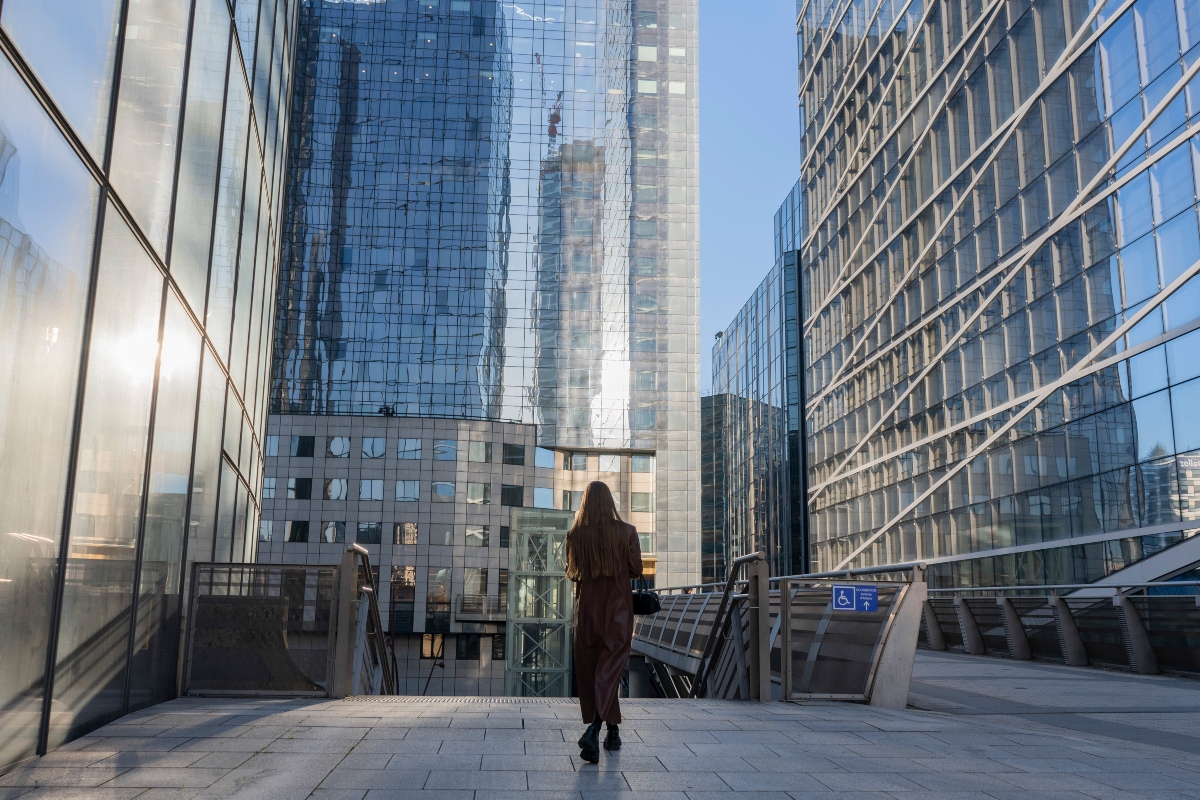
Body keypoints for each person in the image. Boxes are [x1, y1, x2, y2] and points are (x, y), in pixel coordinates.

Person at [565, 480, 643, 764]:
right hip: (618, 613)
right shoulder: (627, 532)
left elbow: (572, 574)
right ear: (610, 501)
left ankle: (612, 732)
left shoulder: (575, 535)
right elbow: (636, 570)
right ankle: (595, 729)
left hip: (586, 614)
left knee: (595, 674)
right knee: (608, 672)